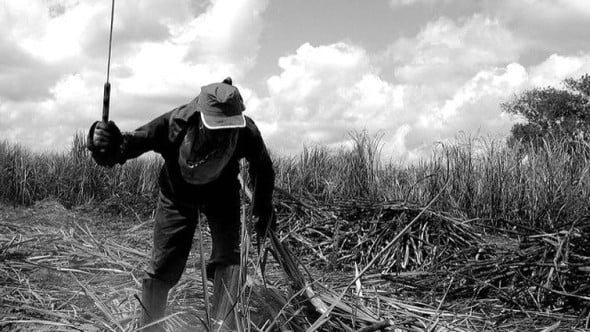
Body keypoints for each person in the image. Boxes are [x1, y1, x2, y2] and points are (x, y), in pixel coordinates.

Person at [86, 78, 276, 331]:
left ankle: (224, 325)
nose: (222, 135)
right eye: (215, 127)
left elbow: (264, 170)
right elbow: (126, 146)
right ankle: (151, 326)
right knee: (163, 264)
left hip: (222, 193)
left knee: (230, 260)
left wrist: (263, 212)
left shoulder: (245, 132)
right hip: (177, 194)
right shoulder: (173, 125)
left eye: (227, 127)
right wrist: (104, 142)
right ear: (200, 117)